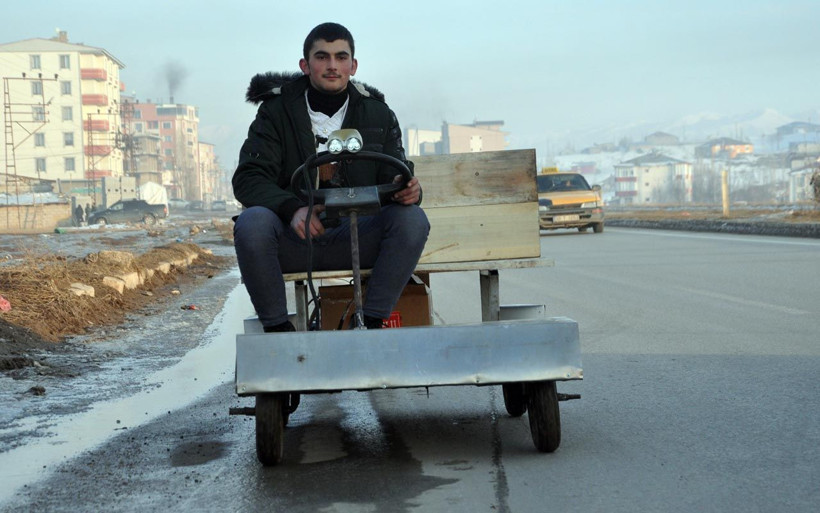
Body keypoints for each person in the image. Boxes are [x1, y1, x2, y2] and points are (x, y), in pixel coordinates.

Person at [232, 22, 429, 333]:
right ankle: (278, 330)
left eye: (341, 57)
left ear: (353, 65)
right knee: (252, 223)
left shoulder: (377, 113)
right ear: (305, 65)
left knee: (412, 219)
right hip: (295, 239)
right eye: (322, 57)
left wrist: (407, 190)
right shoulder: (276, 112)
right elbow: (248, 178)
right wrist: (291, 209)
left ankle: (371, 322)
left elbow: (395, 171)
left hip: (359, 234)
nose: (332, 66)